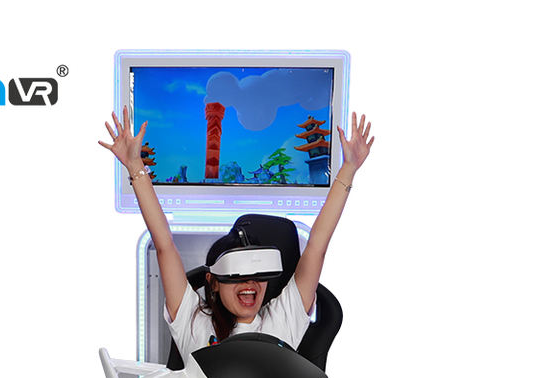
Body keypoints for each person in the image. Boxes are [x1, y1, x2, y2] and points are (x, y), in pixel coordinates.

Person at [100, 107, 374, 360]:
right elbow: (164, 245)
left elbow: (317, 246)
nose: (250, 283)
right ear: (213, 282)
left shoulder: (283, 320)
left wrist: (348, 169)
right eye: (237, 275)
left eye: (257, 274)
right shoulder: (193, 324)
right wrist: (135, 166)